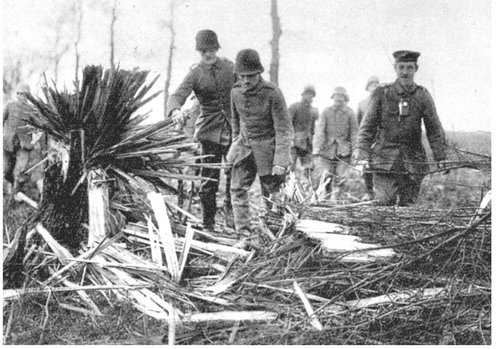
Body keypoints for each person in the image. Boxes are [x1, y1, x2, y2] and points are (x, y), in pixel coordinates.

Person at [355, 50, 447, 206]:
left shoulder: (422, 95)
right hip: (385, 159)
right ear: (395, 69)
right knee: (385, 201)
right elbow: (366, 128)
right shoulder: (382, 93)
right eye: (401, 67)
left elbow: (434, 128)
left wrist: (440, 156)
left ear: (415, 69)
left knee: (408, 206)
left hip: (413, 160)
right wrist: (362, 156)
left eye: (409, 68)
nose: (405, 72)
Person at [166, 29, 236, 231]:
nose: (209, 54)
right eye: (204, 50)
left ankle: (232, 221)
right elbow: (177, 95)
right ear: (199, 51)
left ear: (217, 48)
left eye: (212, 49)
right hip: (208, 131)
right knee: (208, 180)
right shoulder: (195, 73)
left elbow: (243, 90)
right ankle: (208, 224)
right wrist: (176, 110)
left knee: (235, 178)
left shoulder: (230, 67)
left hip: (233, 130)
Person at [227, 48, 293, 240]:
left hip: (268, 153)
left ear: (259, 73)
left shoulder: (272, 93)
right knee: (237, 190)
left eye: (250, 76)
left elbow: (284, 129)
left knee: (272, 195)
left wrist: (280, 161)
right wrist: (234, 147)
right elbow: (235, 123)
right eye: (242, 76)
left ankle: (274, 235)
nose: (246, 81)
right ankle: (243, 235)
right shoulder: (235, 92)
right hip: (244, 149)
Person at [312, 86, 358, 201]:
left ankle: (335, 200)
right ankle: (324, 198)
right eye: (336, 97)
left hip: (344, 151)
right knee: (324, 176)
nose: (338, 100)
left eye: (341, 97)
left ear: (345, 98)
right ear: (332, 98)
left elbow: (354, 133)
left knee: (341, 177)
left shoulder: (350, 113)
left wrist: (355, 150)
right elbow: (320, 130)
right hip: (327, 150)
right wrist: (317, 148)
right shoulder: (326, 112)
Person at [3, 83, 44, 199]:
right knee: (6, 170)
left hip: (24, 145)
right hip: (7, 143)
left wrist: (34, 141)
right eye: (19, 94)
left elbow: (40, 127)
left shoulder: (31, 110)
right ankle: (12, 185)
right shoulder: (9, 106)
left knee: (19, 170)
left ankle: (15, 194)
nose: (21, 96)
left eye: (23, 94)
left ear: (28, 96)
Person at [356, 76, 380, 200]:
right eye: (372, 85)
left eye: (377, 84)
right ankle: (369, 191)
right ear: (367, 88)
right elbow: (358, 124)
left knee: (382, 165)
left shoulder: (385, 101)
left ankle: (382, 192)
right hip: (367, 140)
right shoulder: (362, 104)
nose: (374, 87)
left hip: (381, 139)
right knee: (366, 165)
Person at [288, 85, 319, 180]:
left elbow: (313, 128)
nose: (309, 97)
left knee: (309, 170)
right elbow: (288, 123)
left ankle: (307, 190)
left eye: (311, 95)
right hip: (294, 143)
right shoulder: (294, 107)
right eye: (308, 94)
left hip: (307, 144)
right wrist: (290, 139)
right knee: (289, 169)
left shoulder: (313, 111)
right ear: (303, 94)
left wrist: (313, 140)